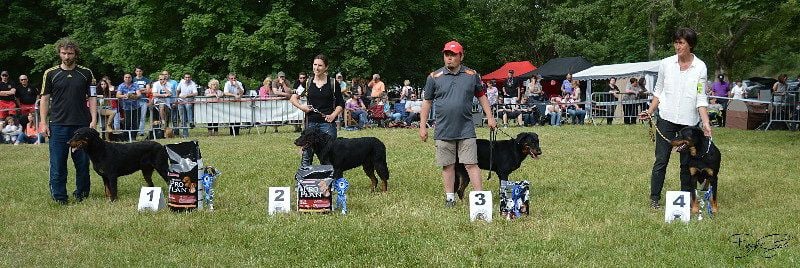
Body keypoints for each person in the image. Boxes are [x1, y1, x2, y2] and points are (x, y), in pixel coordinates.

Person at [639, 27, 712, 210]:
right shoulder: (665, 64)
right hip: (666, 119)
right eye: (676, 42)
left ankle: (686, 202)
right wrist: (649, 111)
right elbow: (658, 92)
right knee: (661, 160)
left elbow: (700, 97)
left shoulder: (700, 67)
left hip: (689, 123)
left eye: (681, 43)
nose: (677, 46)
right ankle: (654, 198)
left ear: (690, 45)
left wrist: (705, 123)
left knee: (687, 165)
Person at [418, 40, 496, 208]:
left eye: (453, 55)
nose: (449, 58)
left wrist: (490, 117)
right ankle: (450, 198)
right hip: (443, 129)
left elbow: (482, 96)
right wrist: (422, 126)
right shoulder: (434, 77)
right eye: (447, 55)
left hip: (466, 128)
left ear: (461, 56)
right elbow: (427, 103)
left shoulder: (472, 75)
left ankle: (479, 199)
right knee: (448, 165)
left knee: (471, 164)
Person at [39, 37, 97, 204]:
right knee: (58, 164)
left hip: (81, 125)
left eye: (70, 53)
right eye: (64, 53)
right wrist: (43, 122)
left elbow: (92, 97)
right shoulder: (50, 73)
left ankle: (82, 194)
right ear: (59, 53)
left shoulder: (86, 73)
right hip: (58, 124)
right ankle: (59, 197)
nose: (67, 56)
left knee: (83, 163)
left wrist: (93, 119)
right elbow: (44, 98)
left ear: (75, 54)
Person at [290, 54, 344, 166]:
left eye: (320, 65)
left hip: (328, 124)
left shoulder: (333, 83)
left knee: (328, 155)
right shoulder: (306, 83)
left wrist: (333, 115)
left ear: (326, 67)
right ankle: (304, 181)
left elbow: (340, 104)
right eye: (315, 64)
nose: (316, 68)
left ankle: (328, 182)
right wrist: (302, 107)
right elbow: (293, 98)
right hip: (311, 123)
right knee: (306, 155)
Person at [177, 73, 198, 137]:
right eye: (186, 77)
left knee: (189, 107)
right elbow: (177, 90)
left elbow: (195, 93)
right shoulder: (181, 82)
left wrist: (187, 95)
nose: (187, 79)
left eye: (188, 77)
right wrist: (177, 98)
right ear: (184, 78)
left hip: (188, 101)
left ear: (191, 78)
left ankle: (191, 122)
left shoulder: (193, 83)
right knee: (182, 118)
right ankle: (185, 134)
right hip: (181, 101)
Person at [132, 67, 151, 136]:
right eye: (137, 71)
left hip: (143, 100)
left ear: (142, 72)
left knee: (142, 116)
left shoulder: (146, 80)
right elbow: (132, 90)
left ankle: (141, 131)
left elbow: (148, 90)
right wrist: (142, 89)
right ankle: (134, 130)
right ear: (135, 72)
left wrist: (138, 90)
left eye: (140, 71)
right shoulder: (133, 79)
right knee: (135, 116)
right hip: (135, 100)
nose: (139, 72)